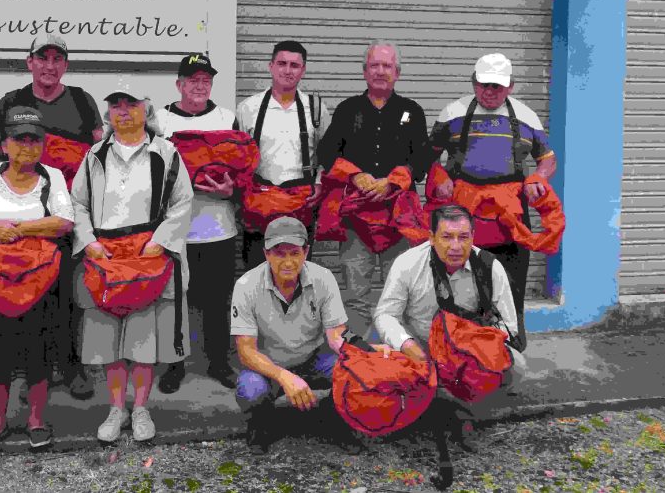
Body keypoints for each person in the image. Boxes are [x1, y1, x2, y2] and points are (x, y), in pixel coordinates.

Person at [70, 86, 193, 443]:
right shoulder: (95, 155)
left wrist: (160, 242)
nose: (123, 111)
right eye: (116, 105)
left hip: (148, 258)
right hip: (104, 260)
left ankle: (140, 409)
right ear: (108, 113)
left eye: (131, 104)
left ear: (146, 109)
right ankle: (115, 410)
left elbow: (182, 203)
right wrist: (89, 242)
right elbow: (78, 203)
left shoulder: (167, 154)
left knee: (143, 342)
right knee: (109, 343)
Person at [0, 106, 75, 452]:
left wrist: (15, 230)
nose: (27, 147)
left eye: (34, 140)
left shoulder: (51, 177)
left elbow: (64, 221)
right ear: (4, 144)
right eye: (19, 140)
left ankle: (36, 421)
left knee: (38, 352)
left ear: (43, 144)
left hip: (37, 282)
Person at [0, 35, 103, 399]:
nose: (49, 65)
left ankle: (72, 369)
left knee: (70, 296)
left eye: (57, 58)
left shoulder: (83, 102)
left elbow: (100, 160)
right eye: (43, 57)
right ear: (30, 62)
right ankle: (32, 372)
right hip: (24, 216)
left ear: (65, 65)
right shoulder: (11, 103)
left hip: (71, 216)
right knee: (28, 293)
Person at [427, 53, 558, 351]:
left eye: (497, 86)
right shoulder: (452, 113)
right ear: (474, 82)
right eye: (484, 84)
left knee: (510, 289)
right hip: (463, 217)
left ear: (511, 86)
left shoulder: (527, 117)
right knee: (461, 287)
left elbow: (547, 159)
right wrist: (438, 177)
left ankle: (510, 350)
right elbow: (429, 156)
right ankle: (458, 352)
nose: (490, 91)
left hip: (510, 217)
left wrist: (539, 178)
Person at [373, 204, 526, 444]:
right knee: (382, 369)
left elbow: (509, 327)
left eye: (463, 237)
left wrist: (473, 351)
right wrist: (406, 344)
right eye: (446, 237)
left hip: (466, 352)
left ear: (473, 237)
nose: (456, 246)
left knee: (515, 365)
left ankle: (469, 413)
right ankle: (419, 412)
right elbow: (385, 315)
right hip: (419, 349)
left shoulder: (489, 267)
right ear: (432, 237)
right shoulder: (407, 264)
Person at [232, 216, 378, 455]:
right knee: (250, 390)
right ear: (266, 253)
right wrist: (285, 377)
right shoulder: (246, 285)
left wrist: (368, 353)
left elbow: (336, 334)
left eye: (295, 253)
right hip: (270, 364)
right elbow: (246, 351)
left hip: (313, 357)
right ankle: (261, 425)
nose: (288, 262)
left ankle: (335, 421)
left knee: (354, 371)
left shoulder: (323, 278)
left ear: (306, 251)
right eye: (279, 254)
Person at [315, 42, 433, 333]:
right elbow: (327, 152)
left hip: (400, 221)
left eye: (387, 66)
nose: (381, 71)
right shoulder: (347, 110)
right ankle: (362, 358)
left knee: (403, 294)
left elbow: (422, 157)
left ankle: (403, 357)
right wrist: (356, 176)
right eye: (374, 65)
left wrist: (393, 181)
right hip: (356, 220)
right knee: (356, 296)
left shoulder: (411, 111)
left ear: (398, 73)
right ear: (364, 71)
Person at [153, 53, 239, 391]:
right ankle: (175, 365)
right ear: (179, 84)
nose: (200, 86)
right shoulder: (160, 121)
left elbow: (243, 169)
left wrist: (232, 189)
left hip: (219, 227)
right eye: (192, 80)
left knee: (218, 301)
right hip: (176, 231)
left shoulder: (226, 118)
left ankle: (219, 362)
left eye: (205, 80)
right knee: (174, 301)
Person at [237, 40, 330, 268]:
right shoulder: (248, 108)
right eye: (282, 63)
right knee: (257, 274)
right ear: (270, 66)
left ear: (303, 70)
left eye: (294, 65)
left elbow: (329, 154)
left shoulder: (316, 108)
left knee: (297, 275)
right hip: (259, 206)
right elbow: (237, 161)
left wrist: (319, 183)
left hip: (301, 207)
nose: (287, 70)